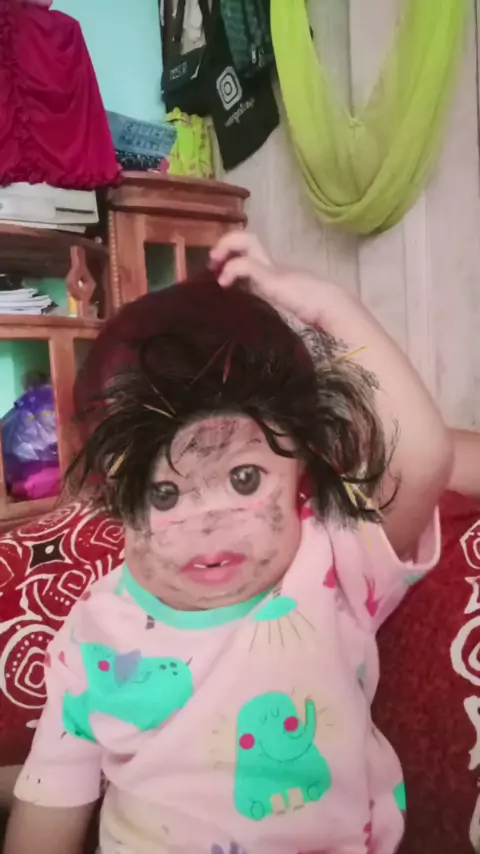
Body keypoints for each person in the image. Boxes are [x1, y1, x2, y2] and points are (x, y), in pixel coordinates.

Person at [3, 233, 452, 854]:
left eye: (245, 479)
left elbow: (423, 458)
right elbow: (49, 804)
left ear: (302, 470)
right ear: (113, 498)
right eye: (164, 493)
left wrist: (330, 307)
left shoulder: (330, 560)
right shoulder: (94, 631)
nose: (208, 525)